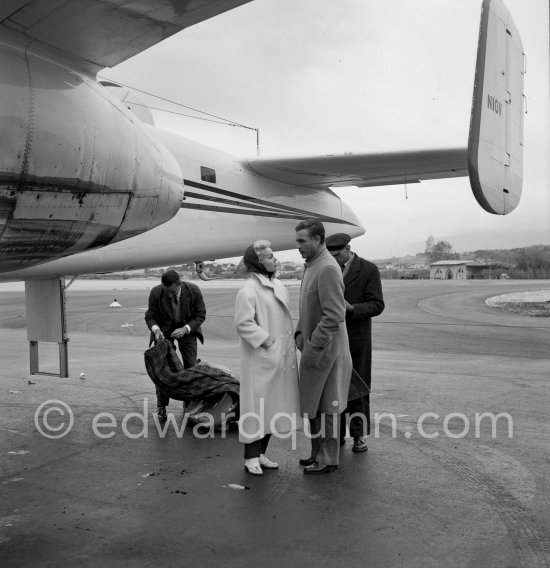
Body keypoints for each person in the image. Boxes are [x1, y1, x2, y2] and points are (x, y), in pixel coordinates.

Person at [234, 240, 301, 476]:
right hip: (261, 360)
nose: (275, 259)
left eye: (273, 255)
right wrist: (267, 341)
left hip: (278, 358)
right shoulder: (249, 289)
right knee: (256, 409)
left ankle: (260, 453)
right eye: (270, 257)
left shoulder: (278, 285)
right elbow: (243, 323)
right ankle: (250, 457)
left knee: (273, 407)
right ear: (258, 262)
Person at [294, 219, 352, 474]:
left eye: (302, 241)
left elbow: (334, 315)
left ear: (317, 240)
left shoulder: (327, 267)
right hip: (314, 351)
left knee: (328, 407)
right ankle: (316, 453)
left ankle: (328, 459)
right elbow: (308, 307)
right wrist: (299, 332)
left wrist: (313, 345)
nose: (298, 246)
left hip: (326, 353)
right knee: (314, 407)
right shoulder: (312, 266)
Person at [325, 233, 385, 453]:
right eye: (330, 254)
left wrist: (353, 309)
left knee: (358, 388)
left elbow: (377, 305)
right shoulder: (326, 269)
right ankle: (336, 434)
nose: (334, 258)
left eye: (337, 253)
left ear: (348, 248)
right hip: (332, 337)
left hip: (357, 340)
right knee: (334, 387)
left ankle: (359, 436)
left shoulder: (369, 270)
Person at [145, 270, 206, 420]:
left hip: (188, 330)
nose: (169, 295)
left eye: (172, 292)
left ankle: (189, 406)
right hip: (163, 331)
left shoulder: (193, 290)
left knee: (190, 367)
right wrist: (156, 329)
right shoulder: (156, 292)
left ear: (179, 284)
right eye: (167, 292)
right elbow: (150, 316)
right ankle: (161, 406)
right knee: (162, 370)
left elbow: (200, 315)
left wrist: (186, 329)